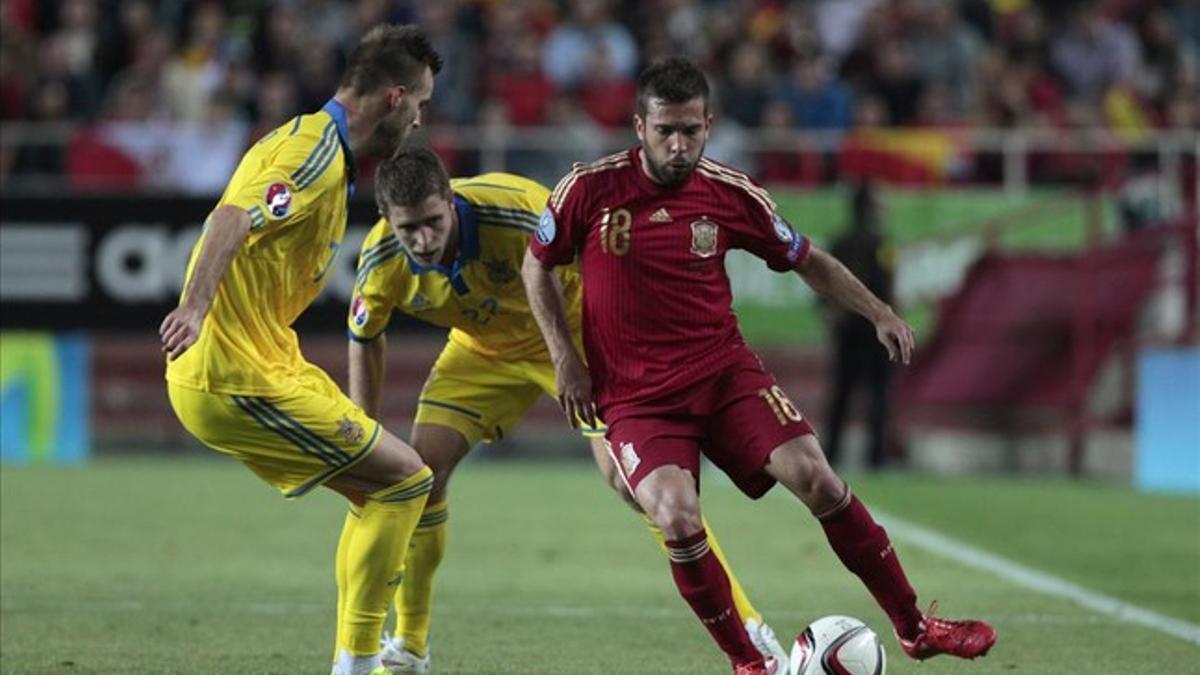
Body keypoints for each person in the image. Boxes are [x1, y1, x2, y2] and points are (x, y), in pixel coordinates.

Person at [522, 56, 997, 675]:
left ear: (709, 125)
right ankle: (751, 664)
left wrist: (878, 311)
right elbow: (537, 265)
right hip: (636, 396)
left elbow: (807, 259)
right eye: (665, 130)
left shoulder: (729, 194)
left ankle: (913, 627)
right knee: (676, 514)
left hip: (723, 374)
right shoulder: (589, 188)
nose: (678, 144)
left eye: (690, 131)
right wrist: (566, 358)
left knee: (820, 480)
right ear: (639, 126)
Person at [347, 148, 787, 672]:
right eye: (408, 229)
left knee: (633, 483)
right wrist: (363, 436)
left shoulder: (517, 210)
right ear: (385, 220)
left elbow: (607, 260)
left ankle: (752, 630)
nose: (423, 240)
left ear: (451, 199)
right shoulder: (380, 262)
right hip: (481, 352)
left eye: (432, 221)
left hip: (577, 340)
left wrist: (613, 349)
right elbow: (365, 337)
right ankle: (412, 646)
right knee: (420, 477)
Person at [159, 25, 442, 675]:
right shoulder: (313, 153)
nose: (422, 118)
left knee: (384, 491)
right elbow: (230, 217)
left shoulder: (322, 150)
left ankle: (360, 657)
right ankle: (361, 662)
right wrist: (196, 306)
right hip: (234, 374)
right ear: (394, 97)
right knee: (408, 479)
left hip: (265, 361)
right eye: (421, 103)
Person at [824, 181, 897, 469]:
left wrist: (830, 313)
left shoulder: (839, 243)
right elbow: (885, 286)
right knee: (878, 392)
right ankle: (876, 457)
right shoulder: (882, 244)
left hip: (845, 328)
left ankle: (831, 454)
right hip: (874, 327)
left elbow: (822, 283)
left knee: (842, 392)